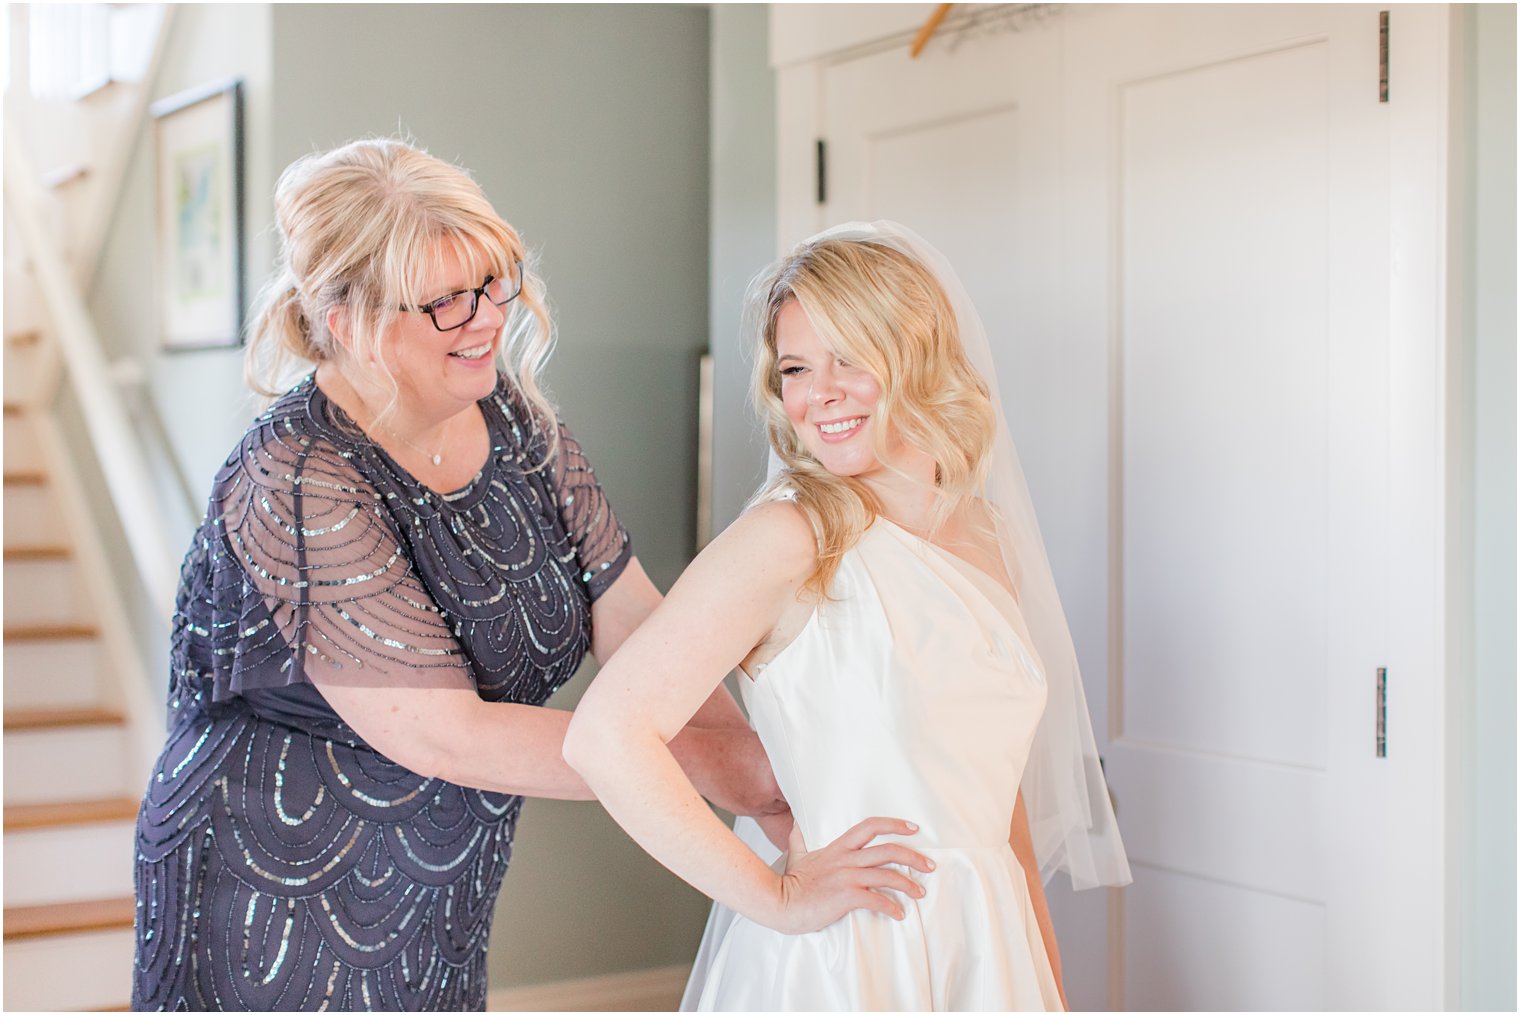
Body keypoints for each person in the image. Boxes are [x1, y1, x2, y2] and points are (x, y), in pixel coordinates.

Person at [132, 138, 783, 1011]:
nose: (485, 319)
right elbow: (449, 734)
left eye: (491, 281)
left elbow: (639, 624)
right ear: (343, 318)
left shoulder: (508, 414)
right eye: (443, 301)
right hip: (271, 896)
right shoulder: (294, 478)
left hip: (438, 875)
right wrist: (714, 768)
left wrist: (762, 768)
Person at [564, 222, 1132, 1011]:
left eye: (849, 359)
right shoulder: (790, 536)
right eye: (796, 367)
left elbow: (1001, 807)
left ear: (920, 358)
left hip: (989, 951)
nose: (817, 393)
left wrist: (1044, 968)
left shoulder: (987, 535)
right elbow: (606, 737)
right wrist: (779, 896)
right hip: (846, 961)